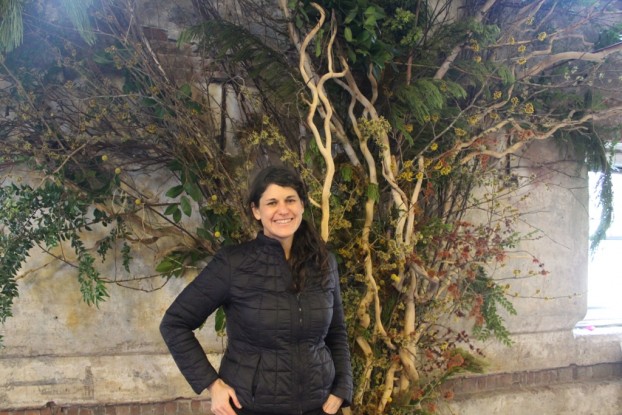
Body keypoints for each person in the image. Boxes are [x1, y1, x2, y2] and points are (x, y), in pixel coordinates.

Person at [160, 165, 353, 415]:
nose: (283, 210)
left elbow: (336, 332)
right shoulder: (234, 264)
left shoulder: (324, 263)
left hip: (319, 407)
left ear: (302, 206)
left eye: (290, 200)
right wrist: (212, 385)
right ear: (256, 211)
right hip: (253, 407)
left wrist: (342, 387)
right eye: (271, 202)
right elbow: (175, 323)